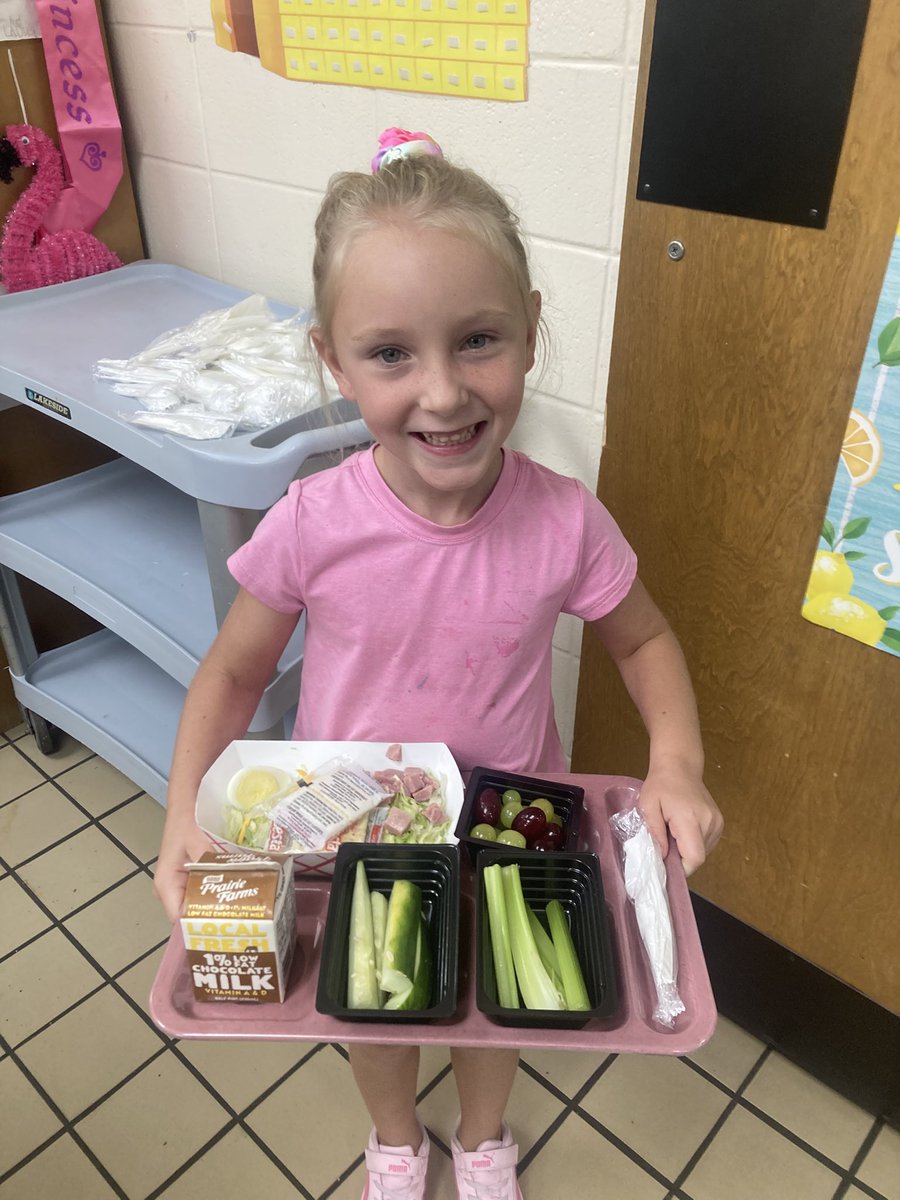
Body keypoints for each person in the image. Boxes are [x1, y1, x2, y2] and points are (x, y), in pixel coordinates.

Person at [154, 127, 723, 1200]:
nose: (445, 393)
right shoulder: (314, 521)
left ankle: (485, 1137)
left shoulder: (565, 522)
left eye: (477, 341)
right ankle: (396, 1143)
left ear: (531, 334)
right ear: (333, 358)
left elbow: (643, 639)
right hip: (353, 829)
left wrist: (677, 762)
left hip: (514, 824)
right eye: (389, 354)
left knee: (495, 1006)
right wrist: (187, 809)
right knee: (368, 1004)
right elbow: (231, 675)